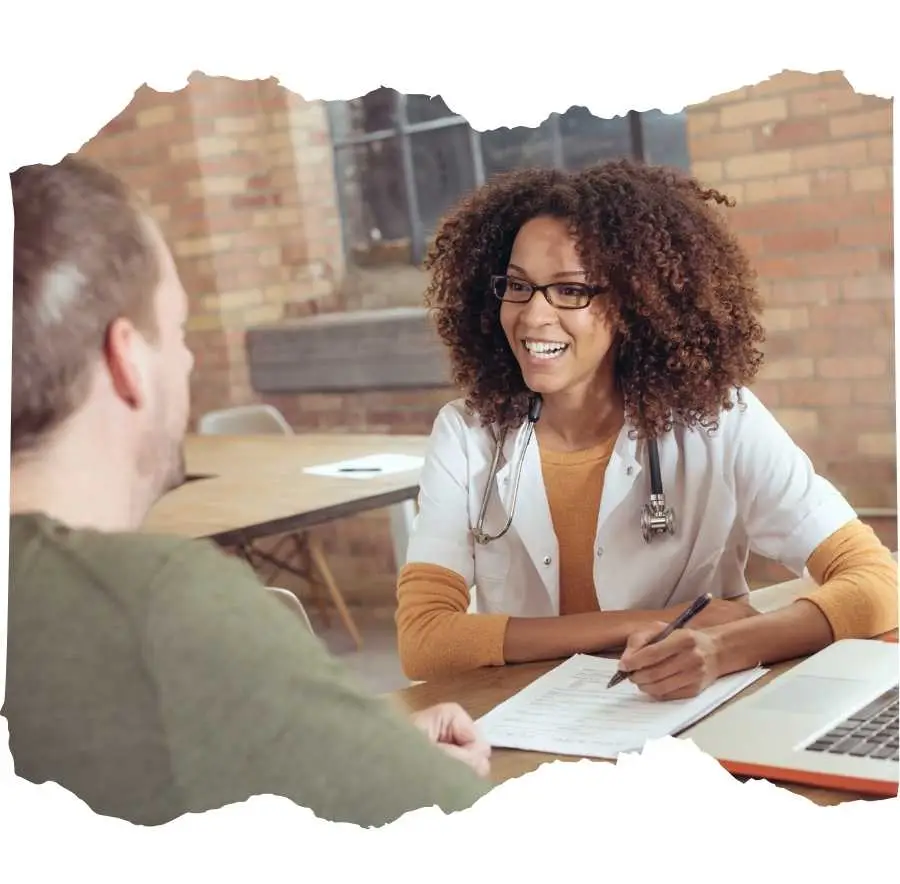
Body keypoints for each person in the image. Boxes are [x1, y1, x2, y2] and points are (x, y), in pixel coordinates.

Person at [6, 155, 492, 829]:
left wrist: (354, 746)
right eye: (175, 331)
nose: (189, 358)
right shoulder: (155, 605)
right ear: (127, 361)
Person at [396, 160, 898, 698]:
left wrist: (727, 647)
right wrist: (655, 621)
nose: (532, 316)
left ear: (634, 302)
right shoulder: (468, 434)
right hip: (528, 724)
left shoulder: (720, 418)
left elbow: (877, 584)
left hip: (691, 717)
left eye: (570, 290)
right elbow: (425, 640)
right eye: (518, 286)